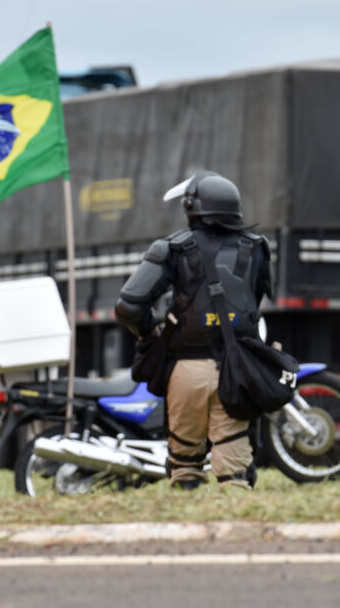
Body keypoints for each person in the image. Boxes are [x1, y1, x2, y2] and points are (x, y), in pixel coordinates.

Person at [115, 171, 271, 490]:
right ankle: (238, 530)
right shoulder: (257, 247)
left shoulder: (171, 248)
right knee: (235, 471)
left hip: (186, 371)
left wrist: (149, 335)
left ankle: (187, 525)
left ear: (191, 207)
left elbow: (128, 305)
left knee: (184, 465)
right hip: (237, 371)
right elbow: (253, 302)